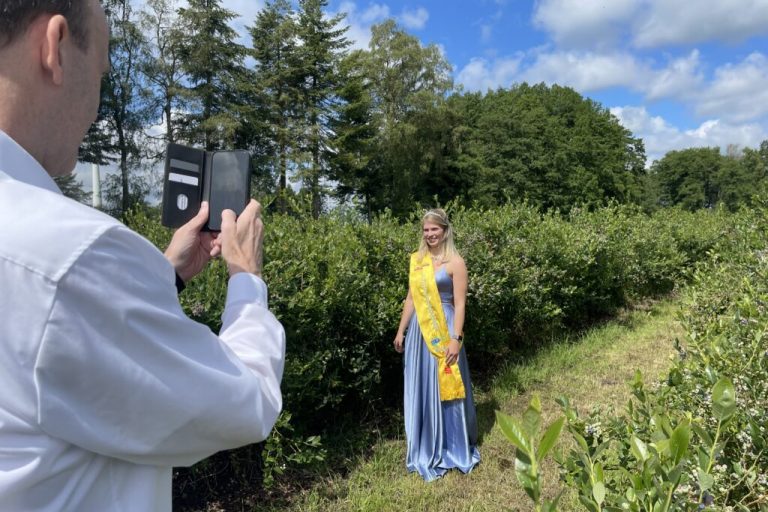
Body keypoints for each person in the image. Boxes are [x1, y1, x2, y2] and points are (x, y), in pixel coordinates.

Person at [0, 1, 285, 510]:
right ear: (55, 48)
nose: (97, 101)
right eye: (103, 71)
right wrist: (245, 279)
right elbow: (245, 403)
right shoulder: (68, 254)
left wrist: (163, 276)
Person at [393, 208, 480, 481]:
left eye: (435, 229)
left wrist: (456, 338)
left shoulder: (456, 262)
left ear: (445, 230)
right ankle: (426, 443)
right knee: (424, 385)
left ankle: (453, 445)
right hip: (421, 331)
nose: (430, 234)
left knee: (446, 383)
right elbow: (410, 299)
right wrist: (401, 331)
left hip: (446, 329)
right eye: (426, 230)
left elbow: (460, 303)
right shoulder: (417, 262)